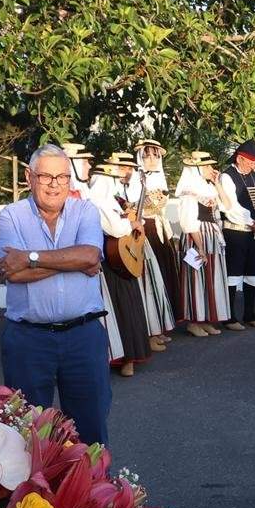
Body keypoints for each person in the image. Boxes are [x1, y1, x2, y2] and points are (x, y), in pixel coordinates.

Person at [0, 145, 110, 442]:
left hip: (83, 337)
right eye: (46, 176)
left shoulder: (85, 211)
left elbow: (89, 256)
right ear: (29, 177)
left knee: (91, 433)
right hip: (28, 341)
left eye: (62, 176)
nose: (55, 184)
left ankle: (92, 489)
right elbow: (14, 272)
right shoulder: (11, 216)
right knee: (28, 436)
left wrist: (31, 257)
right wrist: (73, 261)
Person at [88, 150, 158, 372]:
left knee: (127, 304)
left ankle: (129, 355)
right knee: (119, 306)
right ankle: (123, 356)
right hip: (109, 258)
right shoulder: (98, 199)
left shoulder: (112, 198)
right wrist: (132, 225)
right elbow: (115, 227)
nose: (127, 172)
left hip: (119, 256)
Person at [217, 140, 255, 330]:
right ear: (240, 159)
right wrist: (252, 222)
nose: (254, 166)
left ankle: (250, 314)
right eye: (251, 162)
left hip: (254, 232)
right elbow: (231, 207)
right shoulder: (227, 177)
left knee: (252, 274)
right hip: (235, 232)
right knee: (233, 274)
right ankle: (229, 316)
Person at [173, 151, 229, 337]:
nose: (211, 169)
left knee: (210, 278)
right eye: (206, 166)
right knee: (196, 279)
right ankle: (193, 321)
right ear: (196, 168)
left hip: (211, 235)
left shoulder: (208, 188)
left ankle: (205, 319)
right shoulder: (189, 192)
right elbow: (189, 223)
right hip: (197, 237)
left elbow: (227, 205)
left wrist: (217, 183)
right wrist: (201, 247)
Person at [130, 138, 184, 330]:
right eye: (147, 155)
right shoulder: (137, 178)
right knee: (151, 275)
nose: (152, 159)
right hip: (146, 227)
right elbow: (132, 203)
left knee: (166, 272)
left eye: (155, 155)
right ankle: (151, 326)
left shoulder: (160, 177)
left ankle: (163, 322)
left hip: (161, 227)